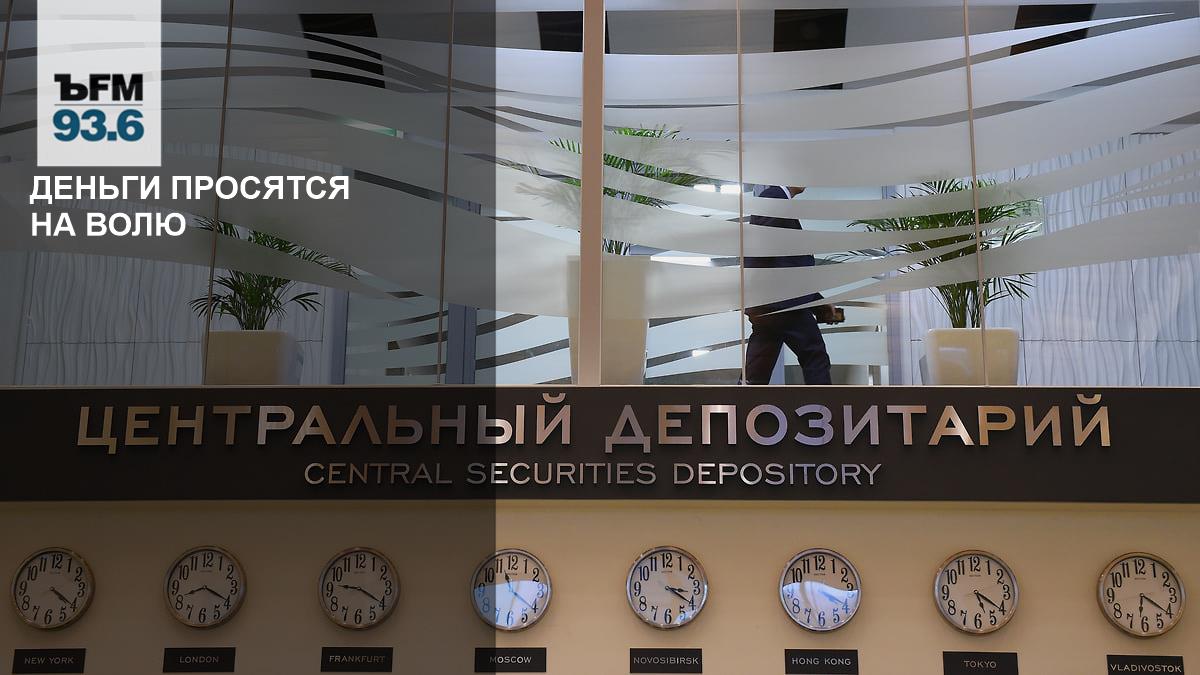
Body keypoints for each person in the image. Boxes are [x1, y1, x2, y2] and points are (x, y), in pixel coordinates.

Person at [742, 185, 839, 385]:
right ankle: (822, 404)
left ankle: (740, 403)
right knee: (814, 355)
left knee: (756, 372)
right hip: (783, 303)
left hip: (771, 304)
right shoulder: (775, 196)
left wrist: (819, 303)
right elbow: (762, 249)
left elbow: (782, 263)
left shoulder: (776, 198)